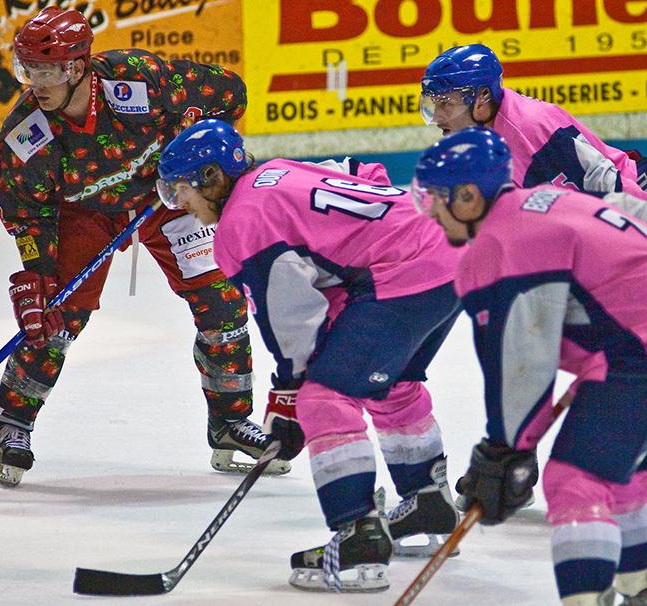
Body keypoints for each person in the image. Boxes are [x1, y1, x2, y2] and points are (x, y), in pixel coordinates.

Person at [156, 118, 464, 592]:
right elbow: (365, 170)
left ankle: (358, 540)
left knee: (325, 395)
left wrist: (290, 391)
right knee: (390, 382)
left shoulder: (242, 223)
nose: (180, 206)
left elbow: (292, 315)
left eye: (181, 191)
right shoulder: (279, 171)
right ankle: (429, 502)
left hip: (402, 275)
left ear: (214, 178)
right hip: (447, 254)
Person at [0, 7, 289, 487]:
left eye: (47, 70)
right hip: (83, 214)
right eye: (29, 70)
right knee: (55, 315)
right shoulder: (26, 134)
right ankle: (13, 424)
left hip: (164, 196)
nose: (36, 82)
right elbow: (28, 213)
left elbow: (231, 93)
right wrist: (37, 274)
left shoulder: (139, 80)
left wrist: (195, 133)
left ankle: (229, 422)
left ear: (78, 66)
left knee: (221, 300)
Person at [413, 126, 647, 606]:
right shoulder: (546, 200)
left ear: (468, 196)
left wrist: (507, 449)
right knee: (622, 469)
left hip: (634, 354)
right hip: (627, 349)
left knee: (577, 479)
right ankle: (640, 581)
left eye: (436, 198)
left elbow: (522, 358)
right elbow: (633, 212)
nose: (431, 211)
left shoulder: (499, 245)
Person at [420, 44, 647, 199]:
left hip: (636, 189)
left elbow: (608, 189)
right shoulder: (485, 130)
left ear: (482, 98)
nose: (438, 116)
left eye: (446, 103)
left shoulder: (529, 128)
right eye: (435, 104)